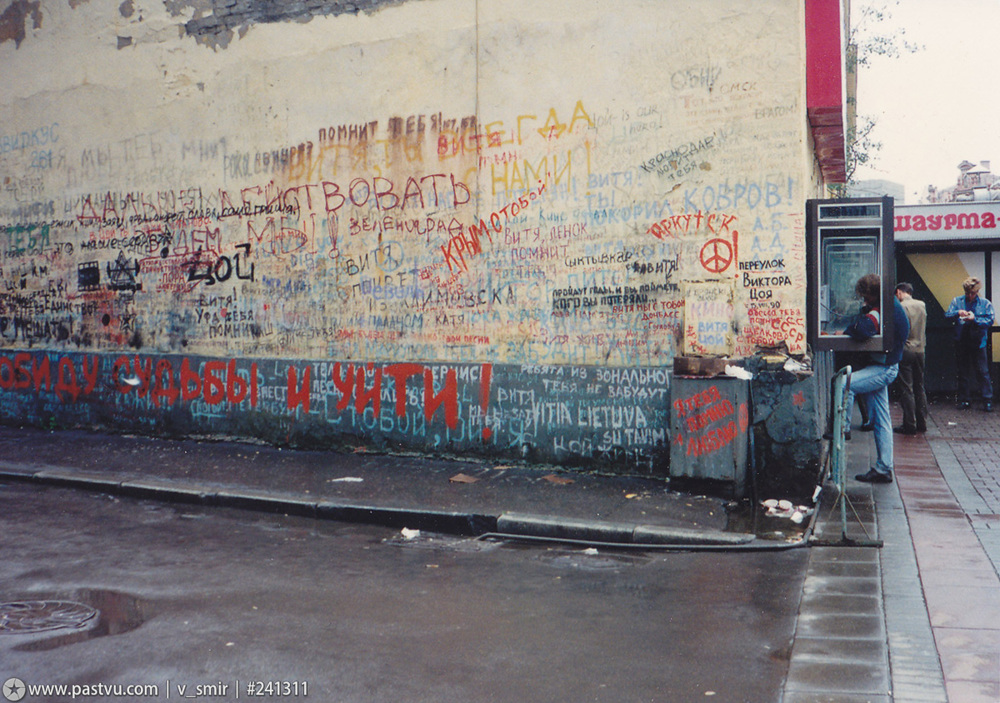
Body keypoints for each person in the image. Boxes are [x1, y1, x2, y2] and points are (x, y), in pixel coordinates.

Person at [843, 274, 909, 484]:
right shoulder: (890, 304)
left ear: (873, 293)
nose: (865, 300)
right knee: (881, 419)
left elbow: (863, 329)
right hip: (885, 364)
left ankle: (842, 430)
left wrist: (847, 329)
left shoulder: (880, 310)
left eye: (866, 296)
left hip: (884, 366)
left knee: (845, 384)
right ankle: (883, 468)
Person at [944, 276, 994, 412]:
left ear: (977, 292)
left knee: (983, 372)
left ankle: (987, 400)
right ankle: (965, 399)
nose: (970, 296)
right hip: (962, 340)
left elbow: (990, 320)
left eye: (972, 293)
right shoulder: (957, 301)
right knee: (963, 371)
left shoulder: (985, 303)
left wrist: (975, 319)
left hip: (978, 342)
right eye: (967, 293)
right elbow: (947, 315)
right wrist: (957, 313)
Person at [893, 282, 928, 434]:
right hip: (920, 349)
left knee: (907, 388)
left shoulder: (901, 307)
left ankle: (909, 424)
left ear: (899, 292)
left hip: (906, 349)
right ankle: (922, 422)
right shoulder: (921, 304)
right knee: (919, 386)